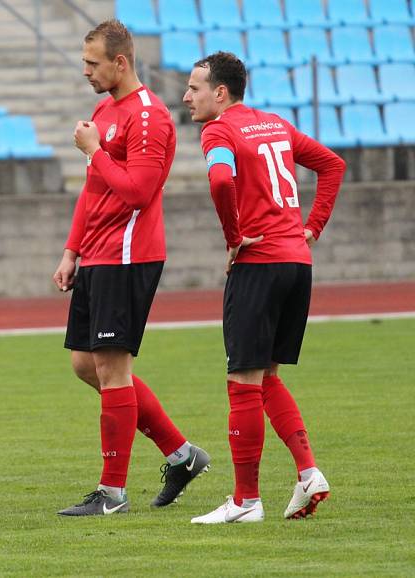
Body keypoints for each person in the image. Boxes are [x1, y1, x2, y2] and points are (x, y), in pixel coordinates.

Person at [53, 19, 211, 517]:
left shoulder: (149, 117)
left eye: (93, 63)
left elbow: (139, 191)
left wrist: (96, 151)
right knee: (85, 363)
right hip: (97, 251)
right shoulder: (105, 108)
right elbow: (94, 189)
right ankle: (183, 455)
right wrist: (71, 249)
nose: (85, 72)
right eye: (84, 62)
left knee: (113, 371)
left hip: (128, 252)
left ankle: (112, 494)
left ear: (120, 62)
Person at [182, 52, 345, 524]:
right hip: (297, 263)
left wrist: (234, 237)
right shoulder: (274, 124)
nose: (186, 96)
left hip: (259, 263)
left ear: (220, 93)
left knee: (242, 382)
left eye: (195, 88)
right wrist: (312, 226)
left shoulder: (218, 130)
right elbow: (332, 165)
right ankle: (308, 472)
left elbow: (219, 180)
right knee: (267, 377)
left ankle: (245, 500)